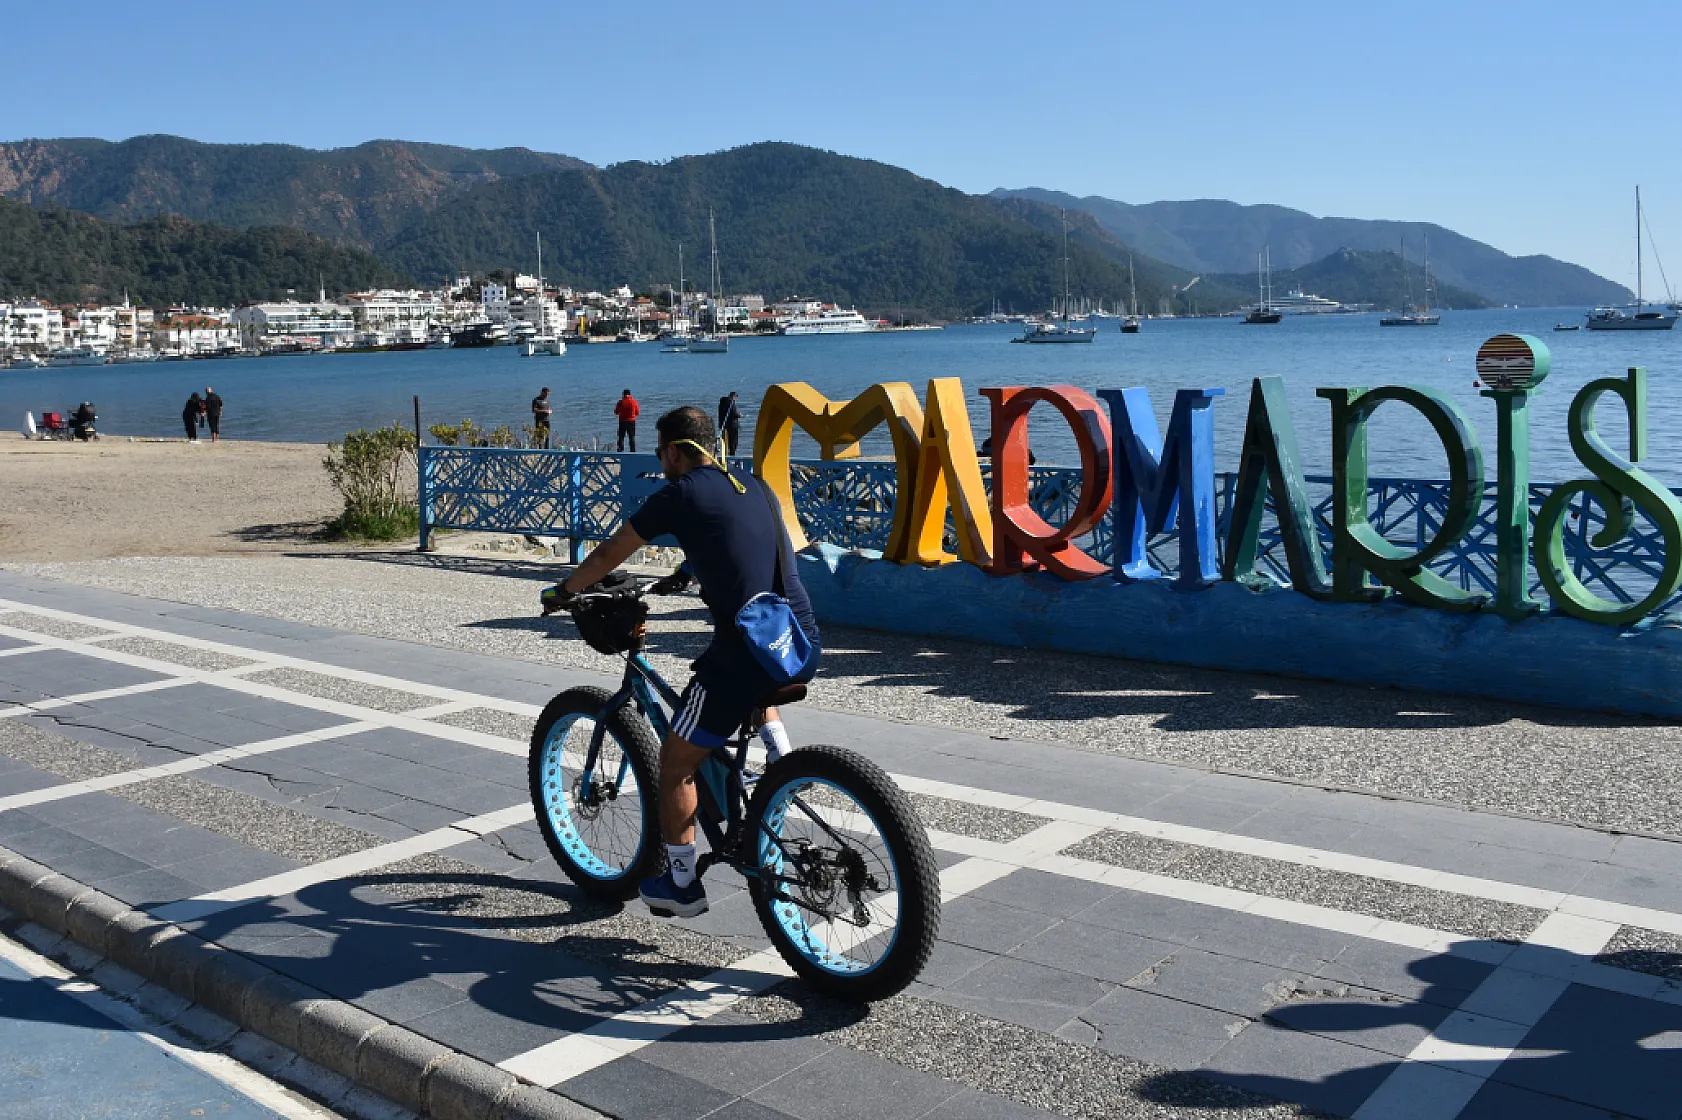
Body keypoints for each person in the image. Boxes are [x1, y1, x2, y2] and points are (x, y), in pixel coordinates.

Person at [553, 406, 820, 918]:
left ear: (674, 452)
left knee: (676, 763)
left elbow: (609, 554)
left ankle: (682, 885)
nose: (661, 462)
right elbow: (739, 546)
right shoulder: (753, 484)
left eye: (660, 454)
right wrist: (688, 569)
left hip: (744, 657)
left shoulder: (680, 493)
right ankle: (782, 764)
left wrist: (564, 590)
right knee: (746, 686)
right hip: (798, 641)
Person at [717, 391, 741, 456]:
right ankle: (732, 455)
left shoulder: (722, 402)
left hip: (724, 425)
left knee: (725, 442)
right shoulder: (731, 402)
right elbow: (734, 413)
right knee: (733, 442)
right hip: (733, 425)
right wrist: (739, 415)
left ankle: (725, 455)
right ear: (734, 396)